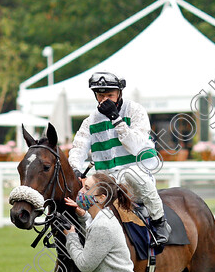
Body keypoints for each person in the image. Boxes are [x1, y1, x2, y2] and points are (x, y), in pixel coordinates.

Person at [68, 71, 171, 244]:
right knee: (79, 193)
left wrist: (116, 118)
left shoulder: (135, 110)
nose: (105, 100)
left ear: (119, 93)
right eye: (101, 95)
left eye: (110, 95)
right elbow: (78, 146)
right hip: (105, 179)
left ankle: (159, 221)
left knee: (131, 173)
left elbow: (135, 145)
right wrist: (75, 167)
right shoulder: (90, 121)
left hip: (135, 175)